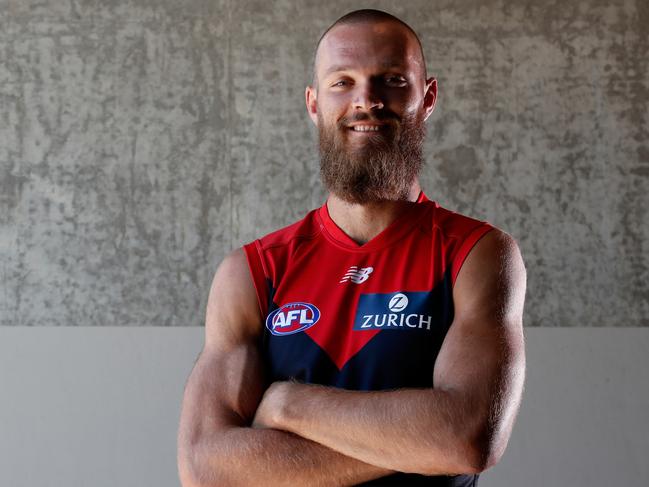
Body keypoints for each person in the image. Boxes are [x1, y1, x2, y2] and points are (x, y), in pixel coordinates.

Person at [177, 8, 526, 487]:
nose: (367, 101)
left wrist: (287, 405)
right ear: (313, 103)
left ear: (427, 98)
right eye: (342, 81)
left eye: (392, 80)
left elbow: (467, 437)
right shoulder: (253, 271)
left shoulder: (476, 254)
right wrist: (417, 438)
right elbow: (205, 466)